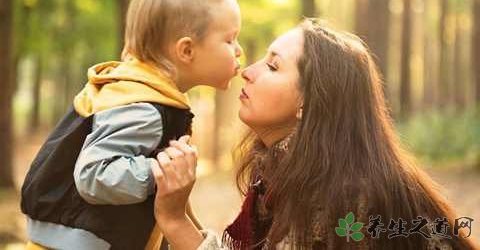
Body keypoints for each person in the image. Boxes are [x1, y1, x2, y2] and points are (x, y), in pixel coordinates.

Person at [150, 19, 479, 250]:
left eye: (273, 66)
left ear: (309, 102)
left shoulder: (341, 194)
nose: (247, 73)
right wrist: (181, 205)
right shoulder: (290, 172)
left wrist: (175, 220)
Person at [21, 0, 242, 250]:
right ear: (186, 50)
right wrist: (160, 170)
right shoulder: (143, 107)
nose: (238, 51)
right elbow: (92, 173)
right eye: (229, 39)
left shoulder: (148, 95)